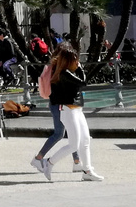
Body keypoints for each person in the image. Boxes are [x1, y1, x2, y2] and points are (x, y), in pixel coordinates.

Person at [40, 48, 101, 181]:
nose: (78, 62)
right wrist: (80, 69)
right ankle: (48, 163)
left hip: (77, 110)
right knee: (74, 144)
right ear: (68, 60)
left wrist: (78, 69)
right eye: (75, 59)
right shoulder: (64, 73)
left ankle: (87, 170)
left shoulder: (67, 72)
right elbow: (83, 82)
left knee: (85, 140)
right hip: (69, 111)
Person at [30, 45, 81, 176]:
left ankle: (77, 161)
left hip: (58, 104)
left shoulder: (57, 67)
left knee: (71, 133)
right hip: (59, 105)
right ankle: (39, 159)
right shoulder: (59, 69)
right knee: (60, 133)